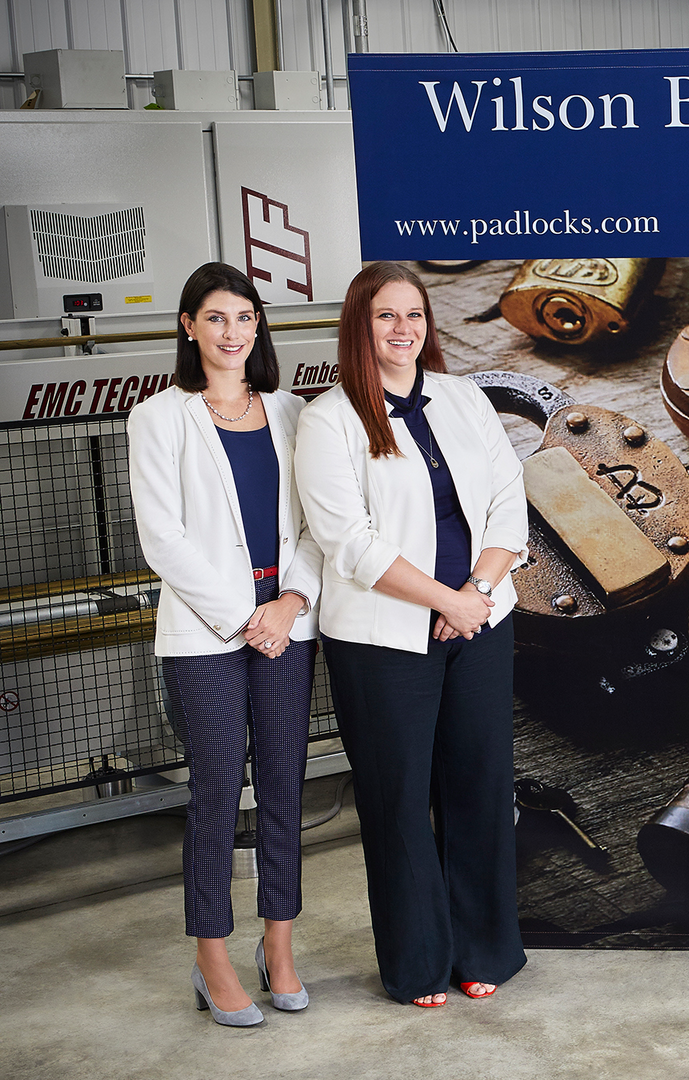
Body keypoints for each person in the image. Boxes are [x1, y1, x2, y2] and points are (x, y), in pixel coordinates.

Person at [293, 261, 527, 1007]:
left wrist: (477, 593)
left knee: (480, 786)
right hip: (383, 641)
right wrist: (444, 601)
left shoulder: (463, 398)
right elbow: (349, 543)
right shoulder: (328, 419)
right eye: (386, 317)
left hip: (483, 618)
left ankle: (484, 949)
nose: (403, 330)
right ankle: (418, 963)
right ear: (360, 328)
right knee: (397, 802)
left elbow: (507, 507)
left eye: (414, 315)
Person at [128, 262, 324, 1027]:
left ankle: (278, 946)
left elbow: (314, 524)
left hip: (286, 626)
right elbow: (162, 539)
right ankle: (212, 955)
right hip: (207, 634)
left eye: (244, 317)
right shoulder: (158, 418)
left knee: (283, 785)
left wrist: (291, 601)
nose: (231, 332)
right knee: (216, 790)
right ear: (188, 327)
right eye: (215, 318)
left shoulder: (291, 412)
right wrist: (249, 614)